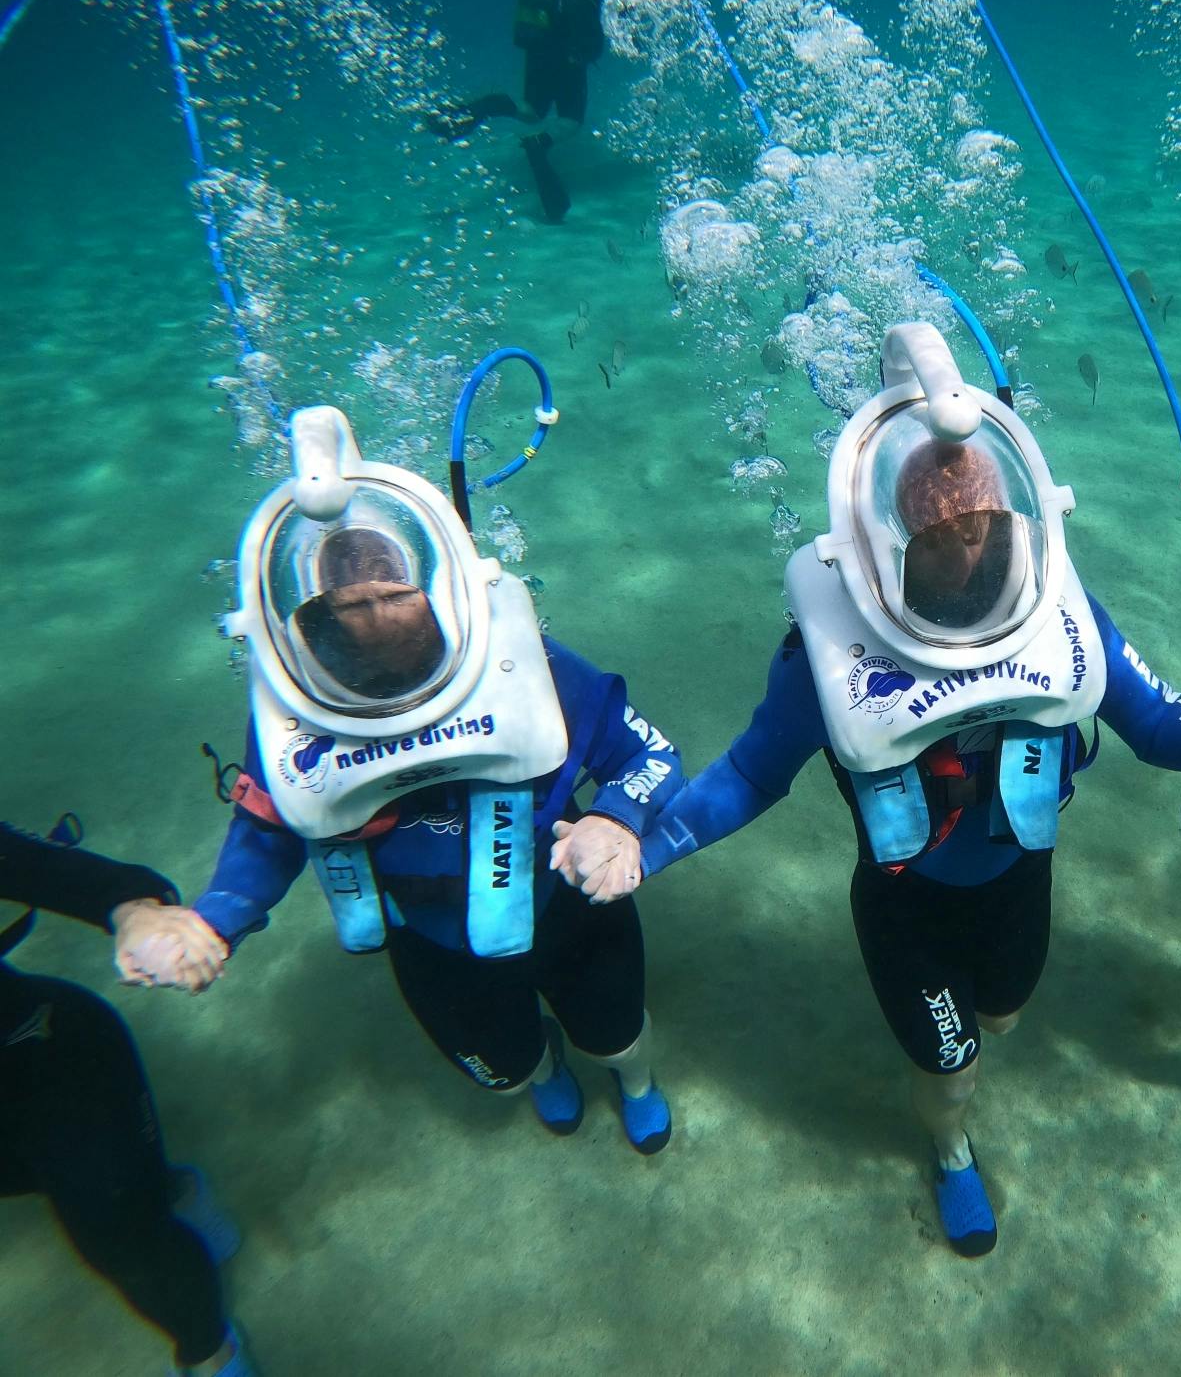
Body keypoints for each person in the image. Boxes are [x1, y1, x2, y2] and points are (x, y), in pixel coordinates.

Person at [637, 322, 1181, 1256]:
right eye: (938, 522)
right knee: (955, 1069)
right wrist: (642, 842)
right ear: (887, 532)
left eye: (983, 513)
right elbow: (752, 770)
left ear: (1017, 505)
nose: (968, 534)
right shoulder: (827, 655)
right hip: (904, 903)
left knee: (1005, 1015)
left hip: (1019, 883)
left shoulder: (1064, 610)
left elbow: (1156, 724)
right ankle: (951, 1151)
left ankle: (966, 1058)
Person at [123, 406, 682, 1154]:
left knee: (617, 1034)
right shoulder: (293, 714)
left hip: (570, 908)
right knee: (507, 1072)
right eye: (347, 600)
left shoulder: (529, 667)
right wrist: (211, 919)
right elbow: (269, 830)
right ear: (306, 617)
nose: (374, 605)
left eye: (392, 588)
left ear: (440, 587)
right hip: (432, 947)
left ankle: (633, 1079)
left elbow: (649, 756)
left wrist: (615, 819)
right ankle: (542, 1061)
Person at [2, 820, 252, 1377]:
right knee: (53, 1181)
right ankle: (164, 1190)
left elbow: (46, 868)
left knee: (122, 1240)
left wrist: (138, 912)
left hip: (42, 1053)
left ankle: (211, 1351)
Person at [424, 0, 609, 222]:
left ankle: (480, 108)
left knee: (531, 110)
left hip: (538, 55)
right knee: (571, 122)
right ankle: (539, 144)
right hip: (570, 61)